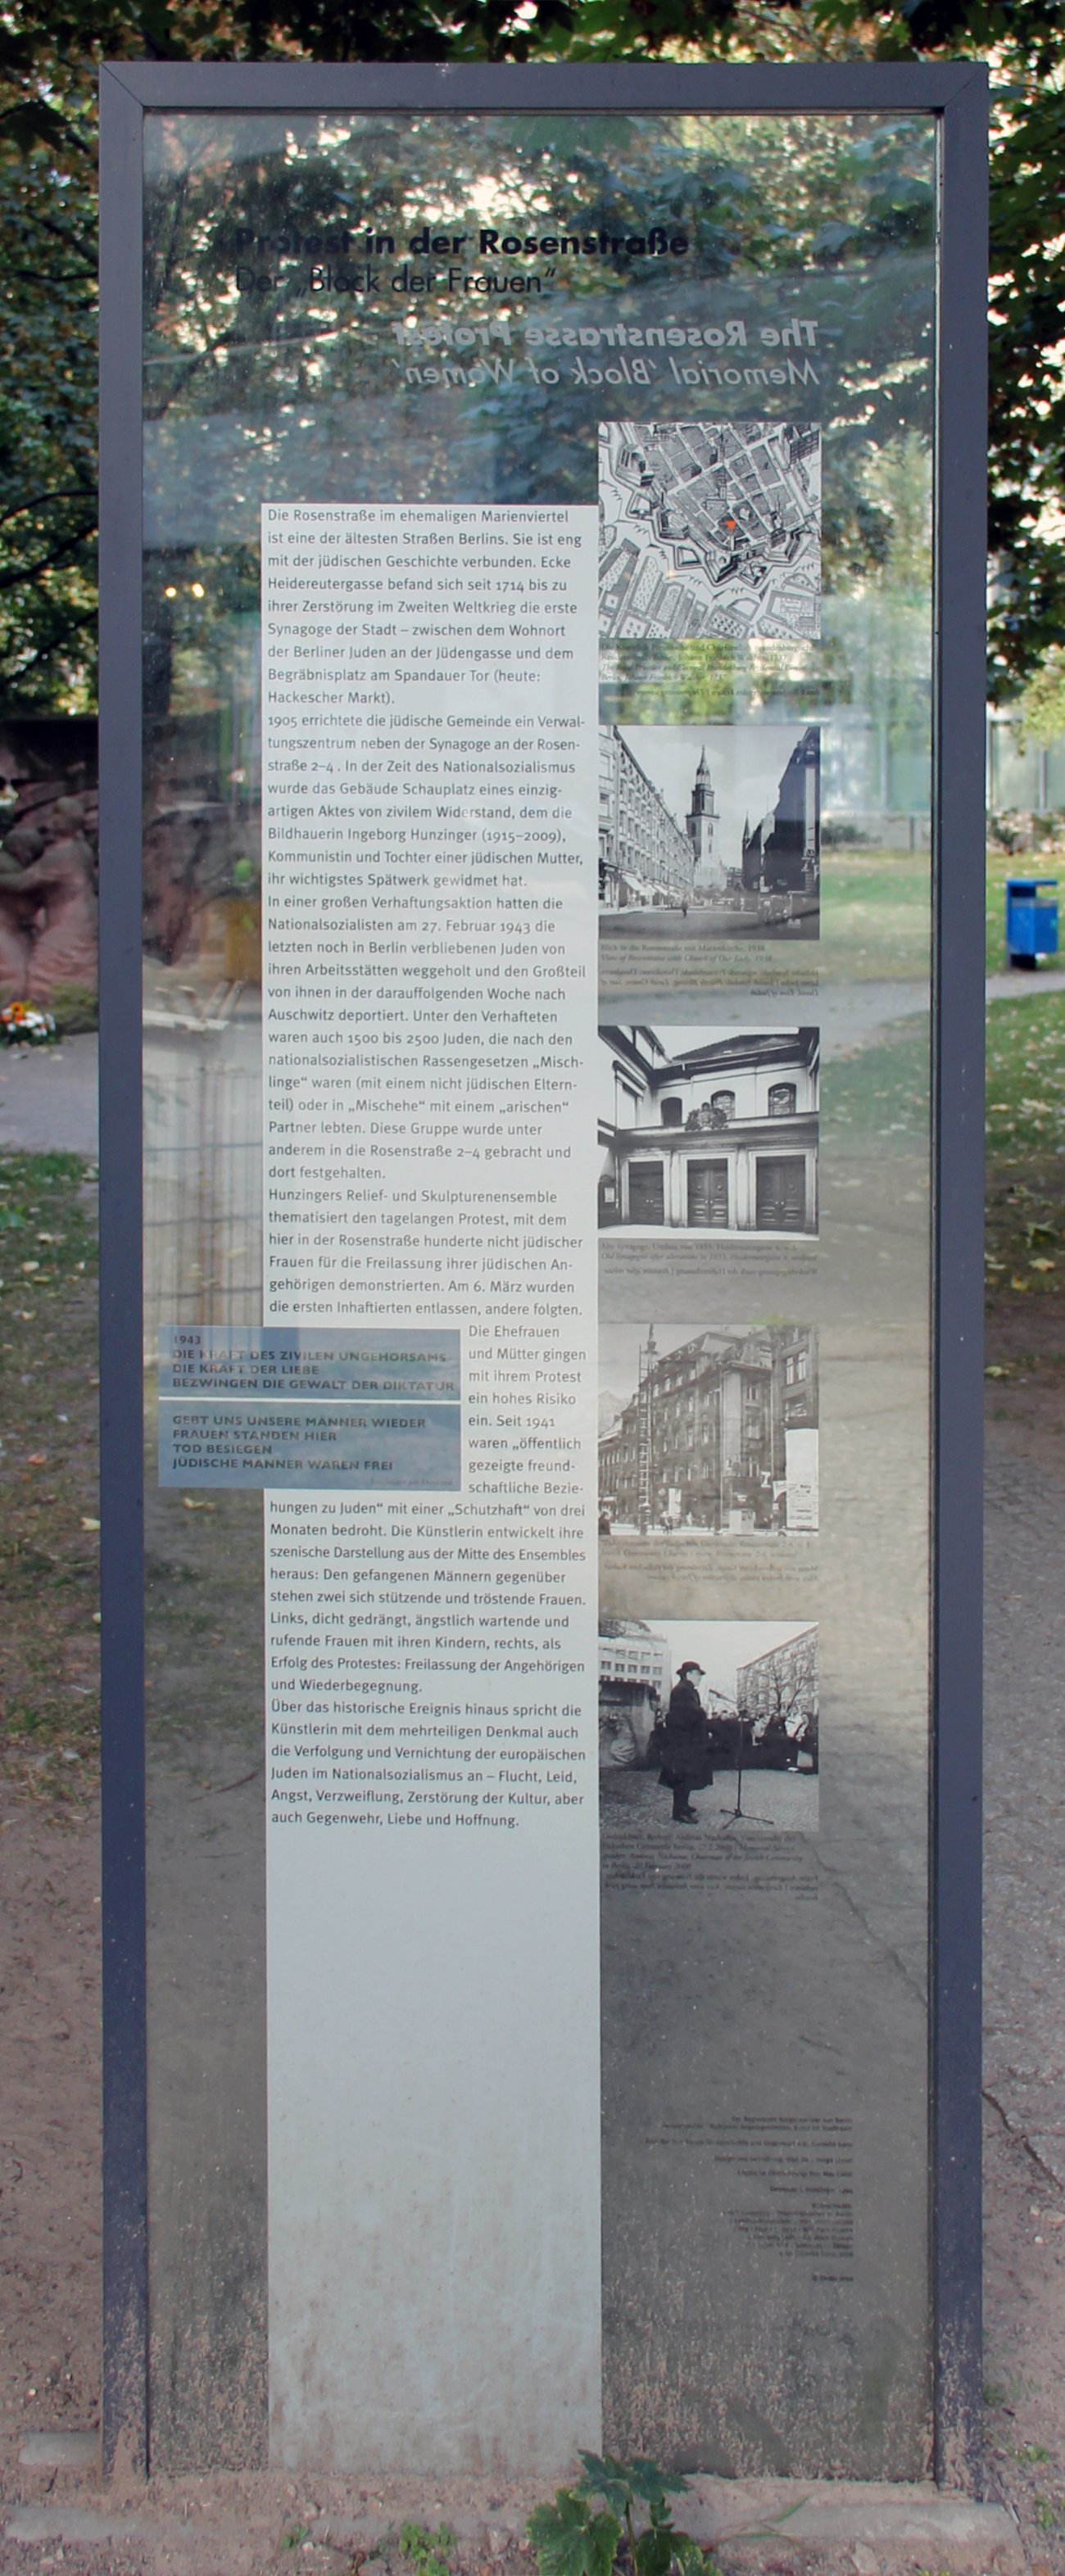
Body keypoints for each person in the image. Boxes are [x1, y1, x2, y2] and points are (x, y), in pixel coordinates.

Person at [659, 1659, 714, 1823]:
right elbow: (691, 1715)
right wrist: (702, 1712)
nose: (700, 1678)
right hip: (683, 1744)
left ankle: (684, 1805)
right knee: (683, 1777)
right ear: (689, 1674)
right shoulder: (682, 1691)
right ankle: (679, 1812)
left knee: (687, 1776)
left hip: (687, 1742)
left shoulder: (688, 1690)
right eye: (698, 1675)